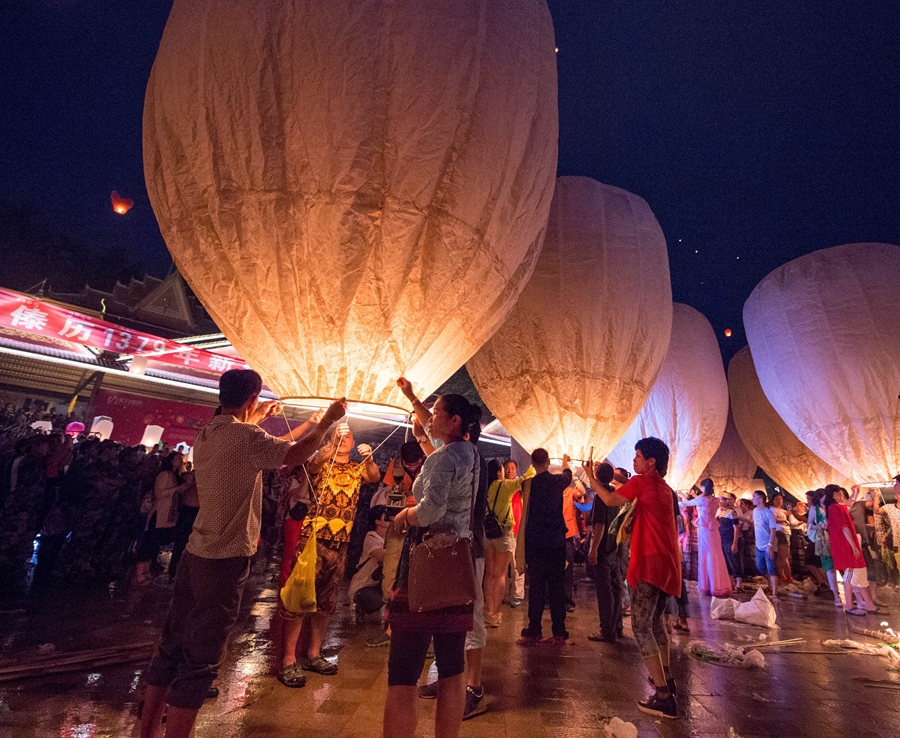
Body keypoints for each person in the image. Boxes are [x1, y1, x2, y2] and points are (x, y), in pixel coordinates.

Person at [140, 369, 346, 738]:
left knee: (171, 647)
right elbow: (294, 453)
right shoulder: (247, 437)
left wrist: (258, 415)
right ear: (251, 399)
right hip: (225, 559)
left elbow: (246, 437)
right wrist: (327, 420)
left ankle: (149, 731)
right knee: (200, 659)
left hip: (194, 552)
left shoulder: (208, 433)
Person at [382, 389, 483, 738]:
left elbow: (430, 511)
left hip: (425, 566)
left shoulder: (443, 458)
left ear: (454, 421)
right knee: (452, 667)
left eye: (436, 412)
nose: (429, 417)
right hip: (456, 566)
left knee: (403, 671)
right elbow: (444, 472)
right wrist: (414, 402)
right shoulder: (470, 453)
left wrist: (405, 515)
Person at [582, 438, 681, 720]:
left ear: (651, 462)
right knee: (655, 622)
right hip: (668, 564)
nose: (634, 460)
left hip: (650, 562)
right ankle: (667, 678)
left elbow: (610, 499)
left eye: (638, 455)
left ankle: (663, 696)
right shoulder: (665, 489)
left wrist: (592, 479)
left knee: (640, 626)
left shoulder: (643, 482)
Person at [280, 424, 380, 680]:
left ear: (354, 442)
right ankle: (289, 659)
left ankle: (314, 653)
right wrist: (331, 443)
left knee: (326, 602)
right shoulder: (321, 461)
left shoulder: (357, 468)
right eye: (339, 434)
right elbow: (314, 463)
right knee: (298, 598)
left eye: (348, 436)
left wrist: (369, 458)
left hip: (340, 543)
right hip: (312, 539)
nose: (344, 438)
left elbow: (374, 476)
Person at [515, 449, 572, 646]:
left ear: (532, 463)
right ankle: (559, 630)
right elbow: (568, 475)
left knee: (537, 587)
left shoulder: (528, 484)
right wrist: (565, 462)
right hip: (556, 542)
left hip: (535, 543)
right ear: (548, 462)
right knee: (556, 587)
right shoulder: (557, 481)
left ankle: (534, 629)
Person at [823, 485, 878, 615]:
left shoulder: (837, 507)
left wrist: (855, 492)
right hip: (846, 545)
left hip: (849, 543)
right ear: (835, 494)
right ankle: (849, 606)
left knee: (860, 573)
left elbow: (848, 504)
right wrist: (853, 546)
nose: (843, 496)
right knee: (852, 573)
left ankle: (869, 605)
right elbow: (844, 528)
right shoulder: (834, 508)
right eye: (841, 493)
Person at [586, 462, 622, 643]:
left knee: (605, 592)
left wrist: (593, 550)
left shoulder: (601, 497)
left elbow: (599, 525)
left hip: (603, 549)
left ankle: (607, 631)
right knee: (615, 589)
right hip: (614, 547)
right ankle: (616, 627)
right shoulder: (615, 494)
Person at [483, 458, 519, 627]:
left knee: (489, 574)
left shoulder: (483, 488)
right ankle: (496, 614)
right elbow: (527, 477)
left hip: (487, 533)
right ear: (499, 473)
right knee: (500, 574)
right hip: (503, 533)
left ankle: (489, 611)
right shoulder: (505, 485)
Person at [680, 479, 732, 596]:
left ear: (703, 487)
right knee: (716, 555)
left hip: (705, 529)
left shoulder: (701, 499)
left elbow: (687, 503)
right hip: (714, 530)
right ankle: (717, 584)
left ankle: (709, 585)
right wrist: (694, 495)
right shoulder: (715, 500)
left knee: (707, 554)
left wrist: (681, 494)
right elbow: (702, 500)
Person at [349, 506, 390, 620]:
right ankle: (360, 604)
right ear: (377, 521)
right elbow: (383, 556)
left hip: (378, 583)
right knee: (375, 599)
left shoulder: (388, 538)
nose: (389, 518)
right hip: (365, 584)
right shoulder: (371, 537)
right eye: (386, 517)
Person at [751, 490, 781, 599]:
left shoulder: (768, 513)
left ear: (760, 500)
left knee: (772, 568)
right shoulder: (755, 511)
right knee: (760, 567)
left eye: (754, 497)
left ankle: (775, 592)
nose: (752, 499)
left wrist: (770, 545)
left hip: (768, 546)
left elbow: (773, 530)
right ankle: (770, 585)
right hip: (759, 545)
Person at [717, 494, 744, 592]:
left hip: (730, 539)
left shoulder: (732, 512)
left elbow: (736, 528)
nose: (720, 501)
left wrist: (735, 543)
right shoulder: (718, 511)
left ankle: (739, 584)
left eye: (722, 499)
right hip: (722, 539)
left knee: (734, 560)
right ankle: (731, 583)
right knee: (726, 561)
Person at [771, 493, 793, 583]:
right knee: (785, 556)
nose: (779, 501)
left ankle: (782, 575)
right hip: (781, 532)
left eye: (780, 499)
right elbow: (773, 519)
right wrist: (784, 520)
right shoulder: (772, 510)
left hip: (784, 532)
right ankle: (789, 576)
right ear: (773, 500)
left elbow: (788, 512)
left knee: (780, 556)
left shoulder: (780, 510)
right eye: (777, 499)